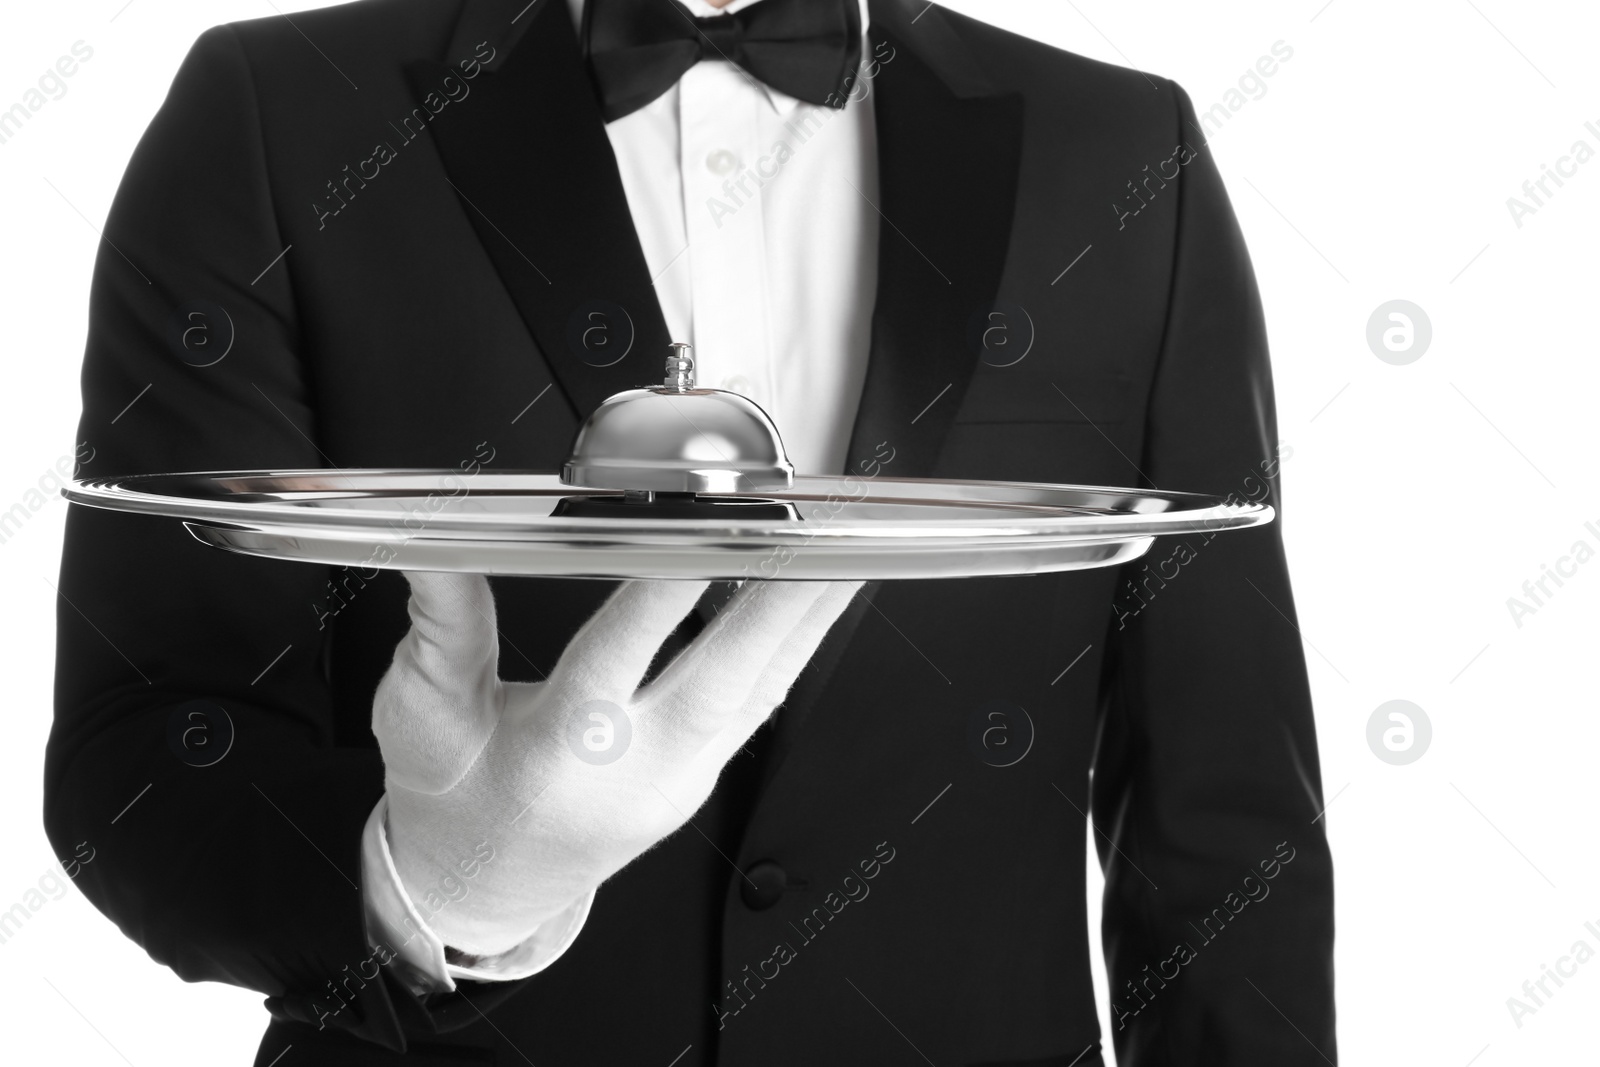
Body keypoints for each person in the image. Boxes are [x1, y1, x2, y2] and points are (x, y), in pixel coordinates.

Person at [45, 0, 1336, 1063]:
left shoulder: (1116, 147)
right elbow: (145, 745)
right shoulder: (280, 109)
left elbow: (1221, 809)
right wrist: (439, 886)